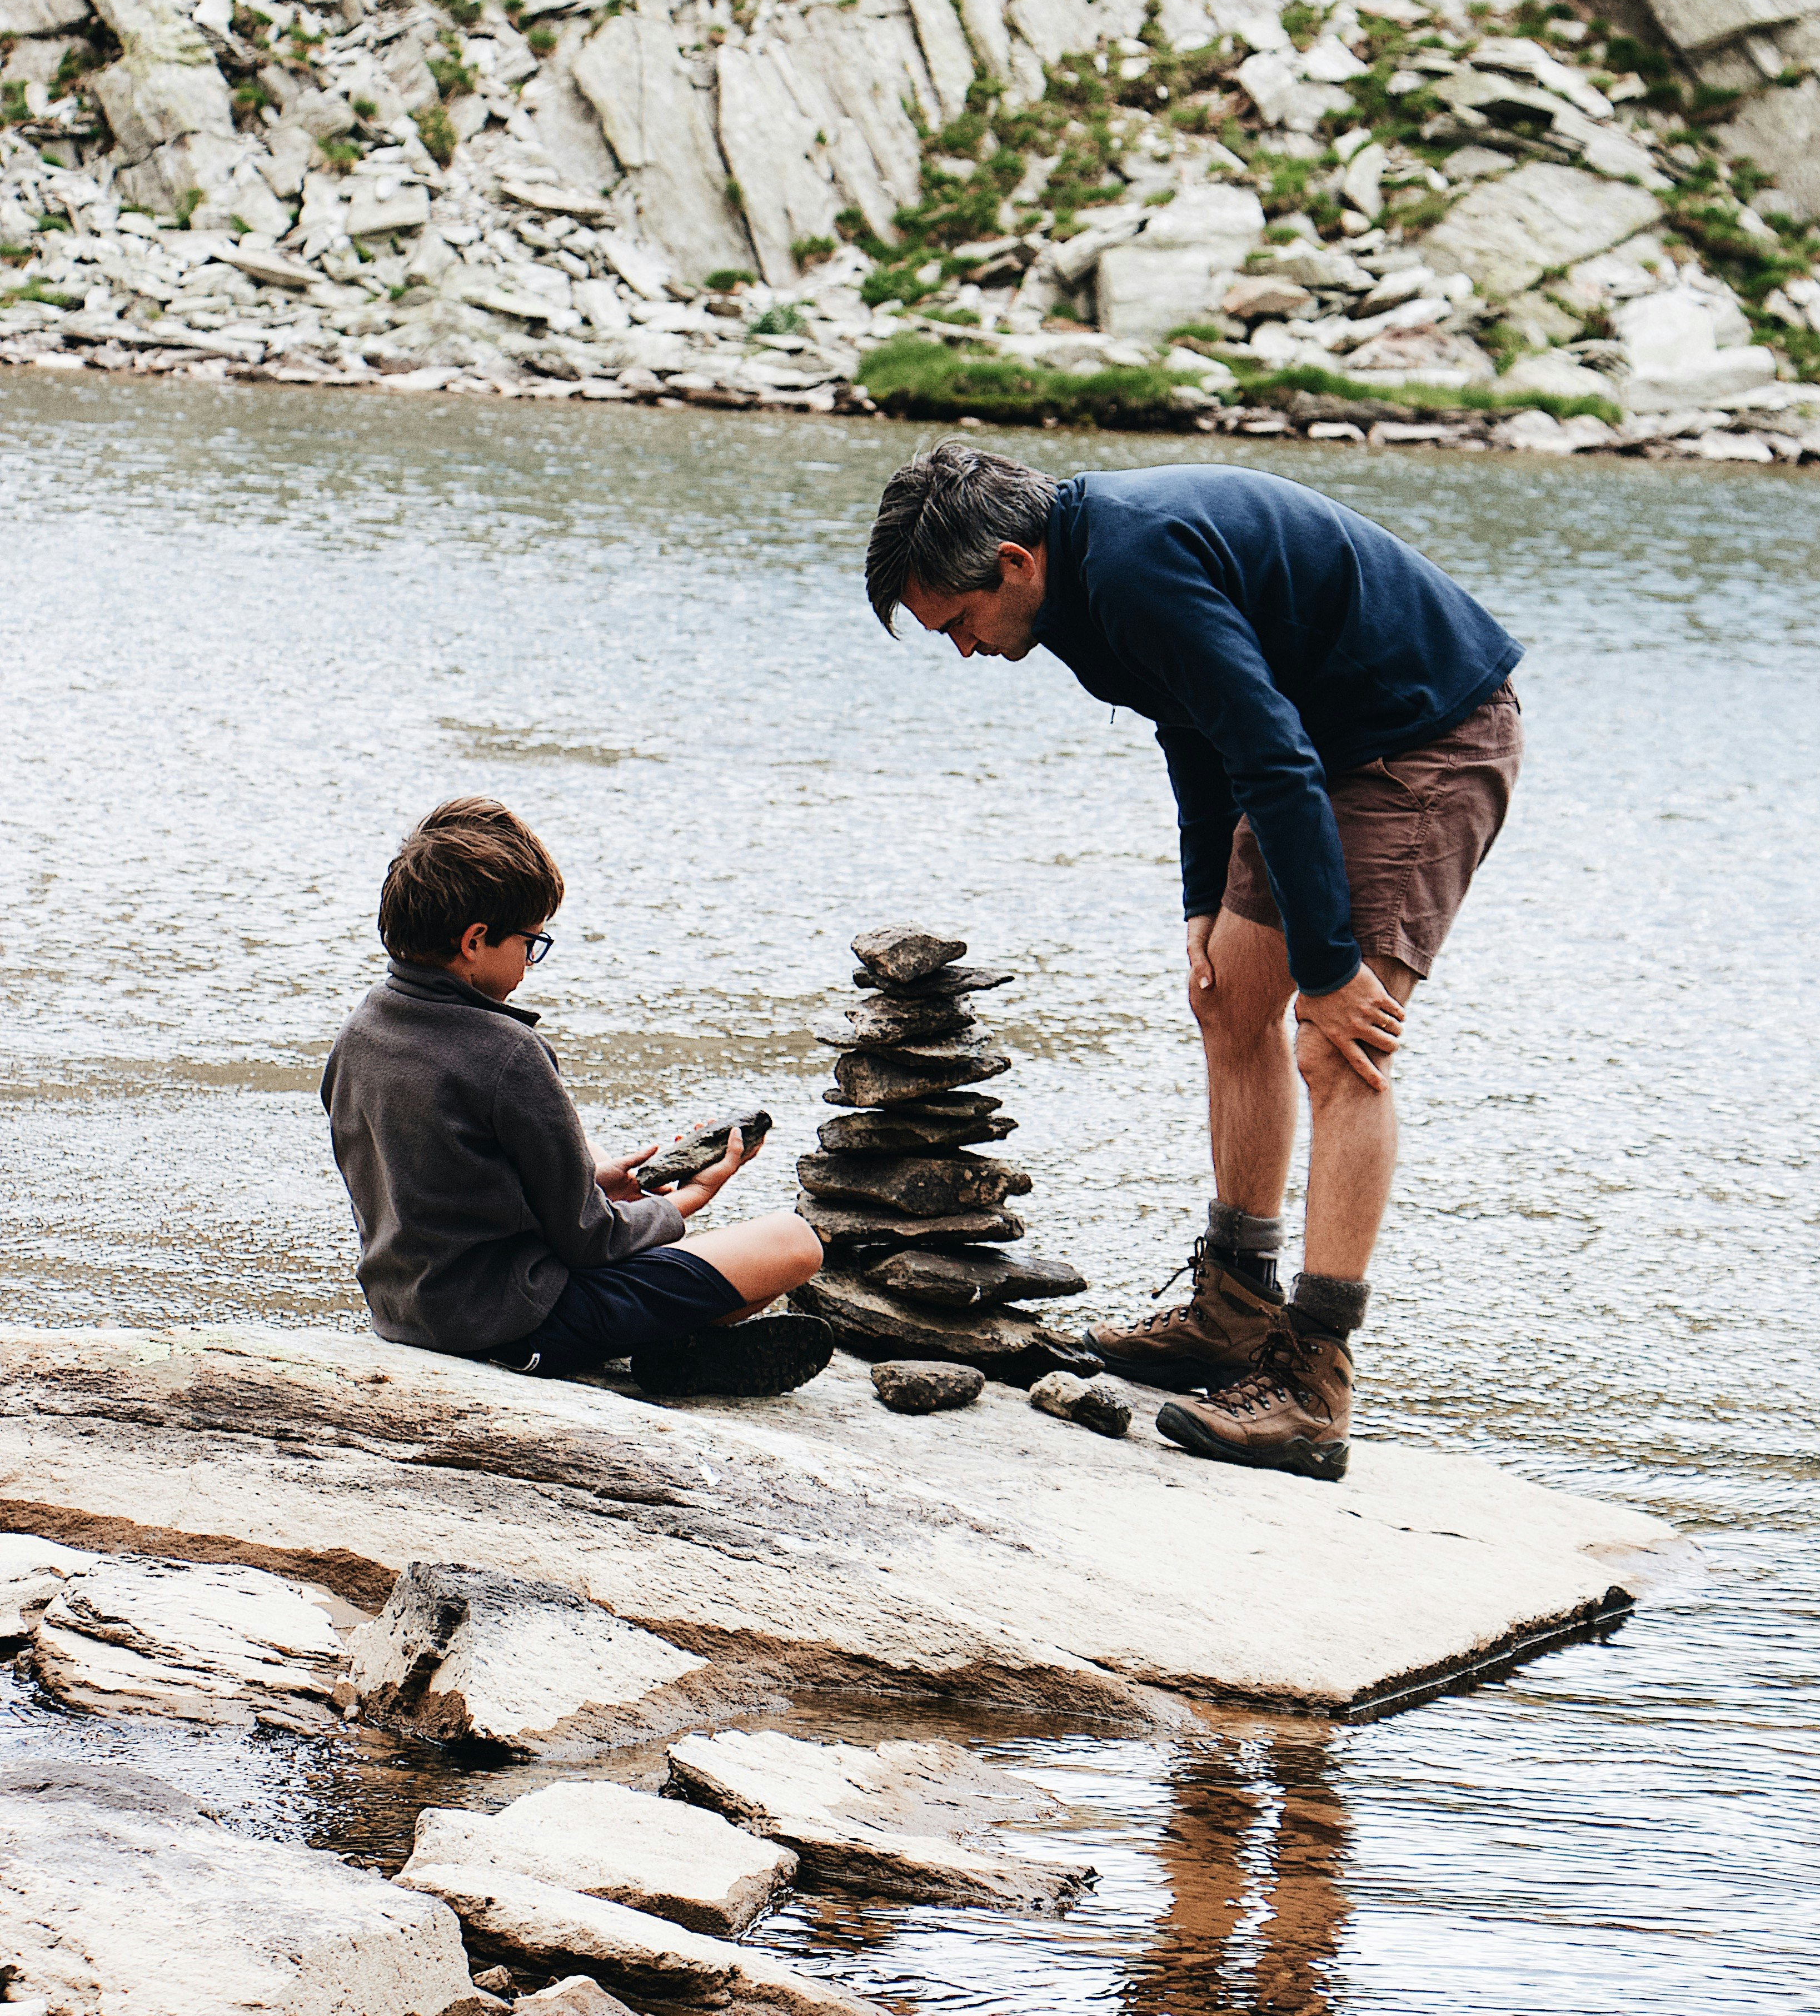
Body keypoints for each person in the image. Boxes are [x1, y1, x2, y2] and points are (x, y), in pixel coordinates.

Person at [864, 445, 1523, 1480]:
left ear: (1012, 561)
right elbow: (1190, 725)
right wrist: (1203, 904)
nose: (962, 650)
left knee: (1337, 1041)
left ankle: (1313, 1381)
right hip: (1308, 745)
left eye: (955, 621)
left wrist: (1332, 963)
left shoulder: (1131, 562)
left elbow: (1265, 746)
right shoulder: (1075, 593)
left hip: (1418, 741)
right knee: (1227, 995)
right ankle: (1233, 1309)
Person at [321, 796, 831, 1397]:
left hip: (405, 1312)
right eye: (531, 943)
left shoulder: (359, 1034)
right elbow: (591, 1240)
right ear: (476, 940)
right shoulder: (508, 1053)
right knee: (792, 1244)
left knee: (681, 1243)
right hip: (515, 1324)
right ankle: (669, 1347)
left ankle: (679, 1350)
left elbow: (442, 1188)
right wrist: (687, 1200)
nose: (532, 963)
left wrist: (589, 1177)